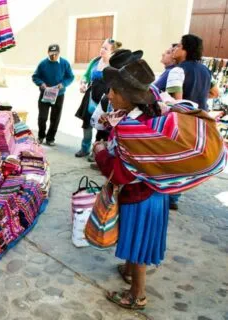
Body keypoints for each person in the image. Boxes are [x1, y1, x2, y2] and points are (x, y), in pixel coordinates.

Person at [93, 59, 226, 310]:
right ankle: (130, 271)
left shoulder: (131, 131)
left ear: (127, 96)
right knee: (139, 238)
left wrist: (100, 151)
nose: (108, 94)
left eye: (113, 91)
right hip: (156, 193)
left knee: (138, 241)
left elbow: (121, 174)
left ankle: (137, 295)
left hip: (139, 197)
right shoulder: (151, 117)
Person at [167, 34, 212, 210]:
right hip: (201, 120)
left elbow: (176, 100)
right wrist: (198, 96)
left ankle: (170, 196)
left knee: (173, 159)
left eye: (178, 46)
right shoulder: (205, 70)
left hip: (182, 121)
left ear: (185, 50)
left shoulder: (177, 70)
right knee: (184, 160)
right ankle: (175, 196)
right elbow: (214, 92)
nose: (175, 49)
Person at [75, 39, 122, 158]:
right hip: (90, 96)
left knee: (102, 126)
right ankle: (84, 148)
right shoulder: (95, 61)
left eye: (106, 48)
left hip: (105, 98)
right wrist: (83, 83)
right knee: (87, 123)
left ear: (113, 52)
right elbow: (86, 76)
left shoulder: (114, 65)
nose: (102, 50)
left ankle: (96, 152)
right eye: (102, 47)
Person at [32, 44, 75, 146]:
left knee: (55, 118)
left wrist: (63, 84)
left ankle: (50, 138)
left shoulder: (64, 63)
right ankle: (41, 136)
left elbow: (70, 77)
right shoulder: (43, 63)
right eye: (51, 54)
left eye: (55, 54)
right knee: (42, 117)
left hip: (58, 94)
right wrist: (41, 83)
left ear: (59, 53)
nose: (53, 56)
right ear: (48, 53)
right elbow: (35, 76)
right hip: (45, 93)